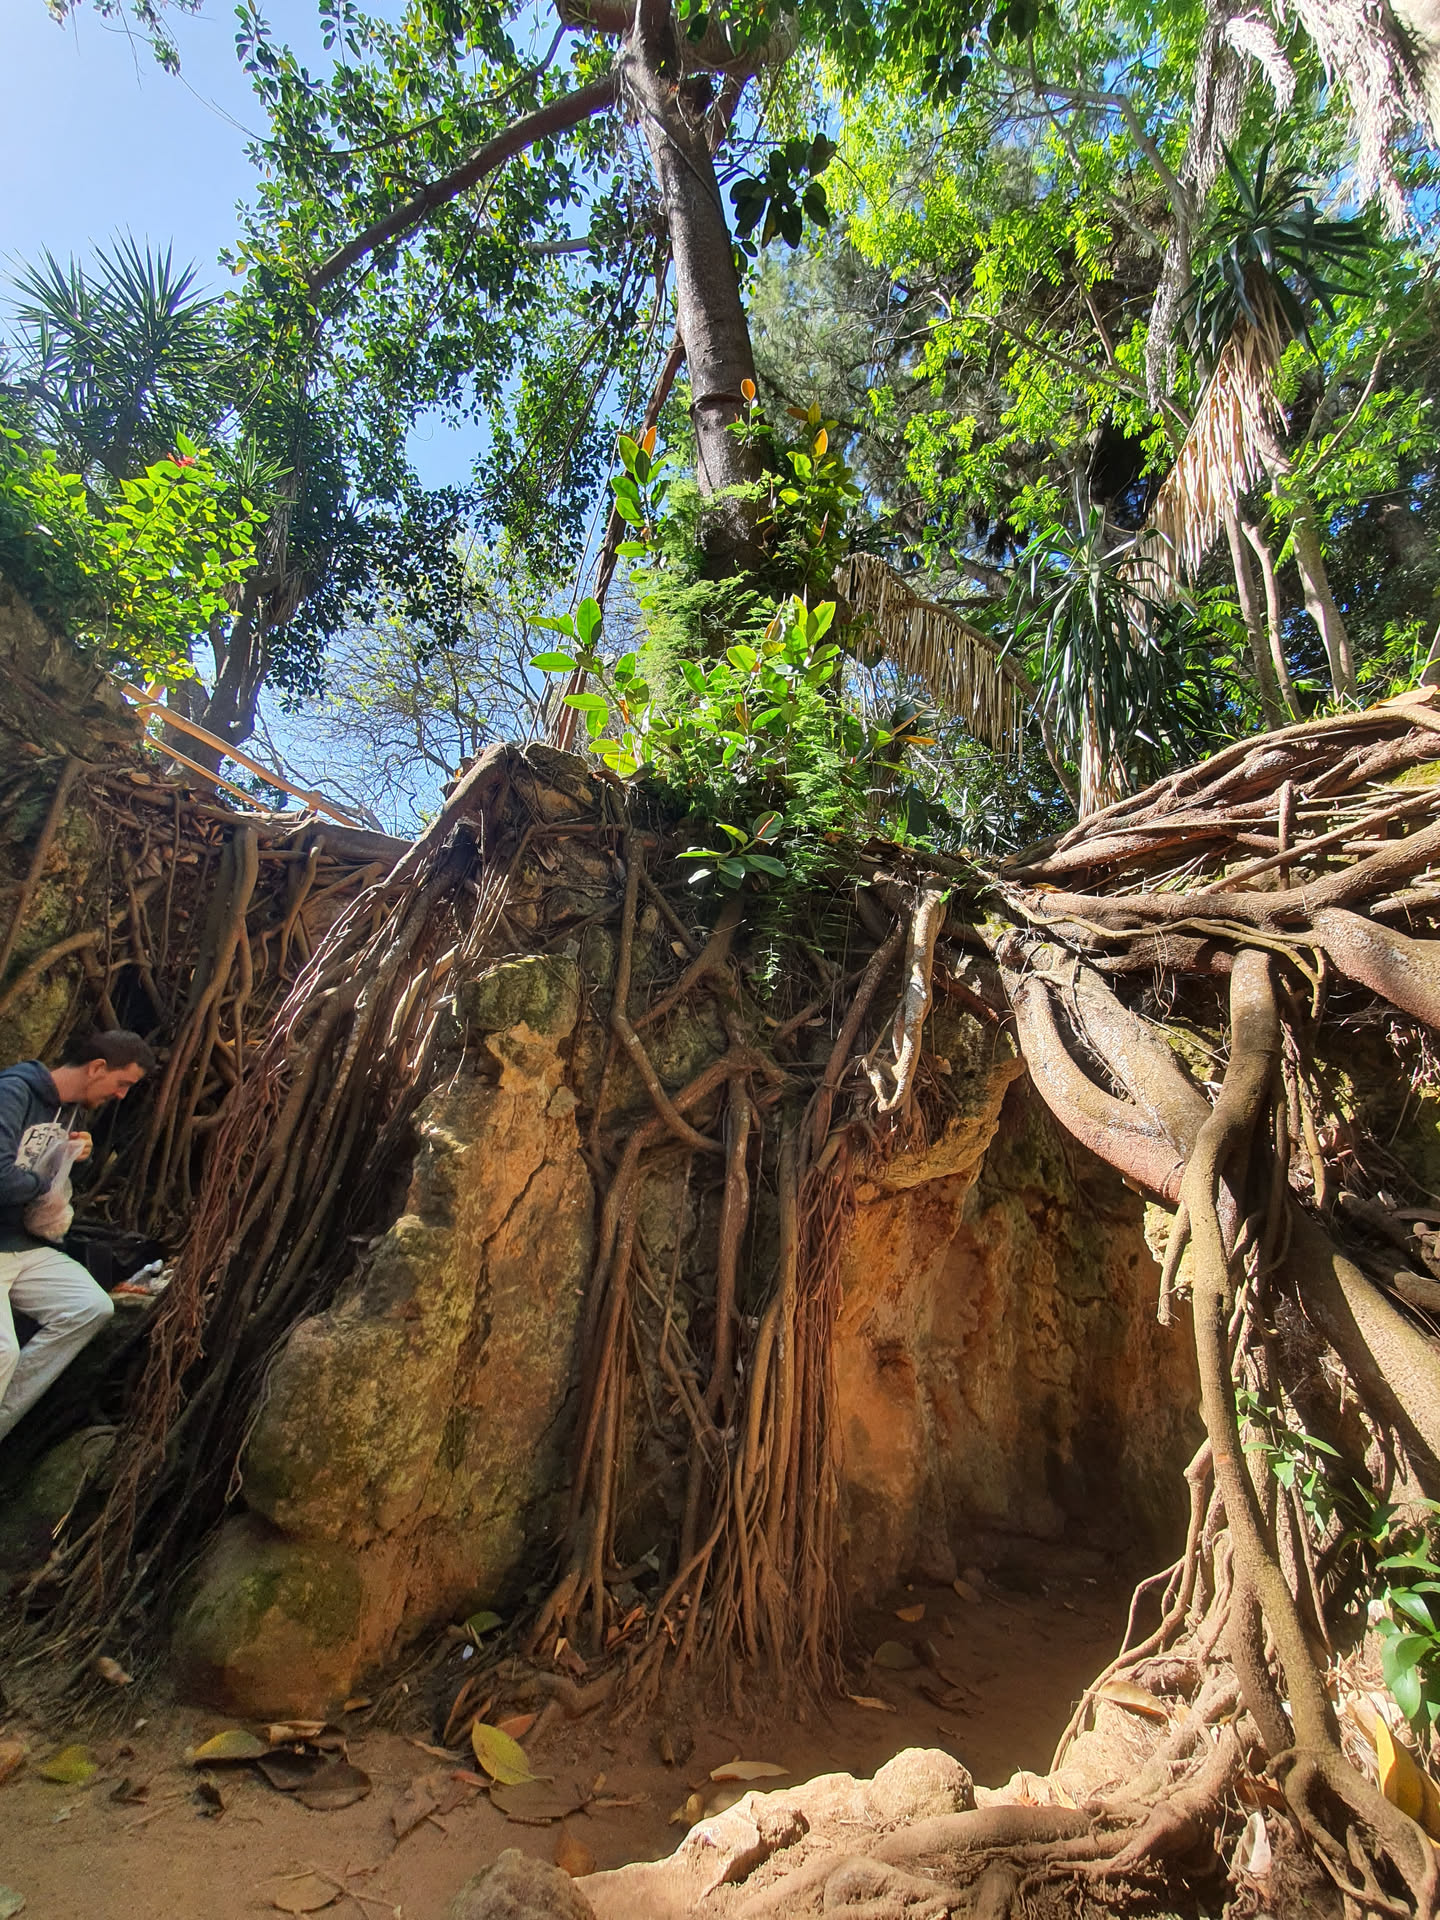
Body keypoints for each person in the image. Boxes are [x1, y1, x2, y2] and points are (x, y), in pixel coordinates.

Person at [0, 1029, 156, 1443]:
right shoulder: (14, 1092)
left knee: (90, 1306)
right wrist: (44, 1181)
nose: (121, 1095)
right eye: (122, 1083)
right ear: (97, 1068)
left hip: (19, 1244)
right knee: (3, 1351)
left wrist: (73, 1158)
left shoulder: (70, 1113)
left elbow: (44, 1177)